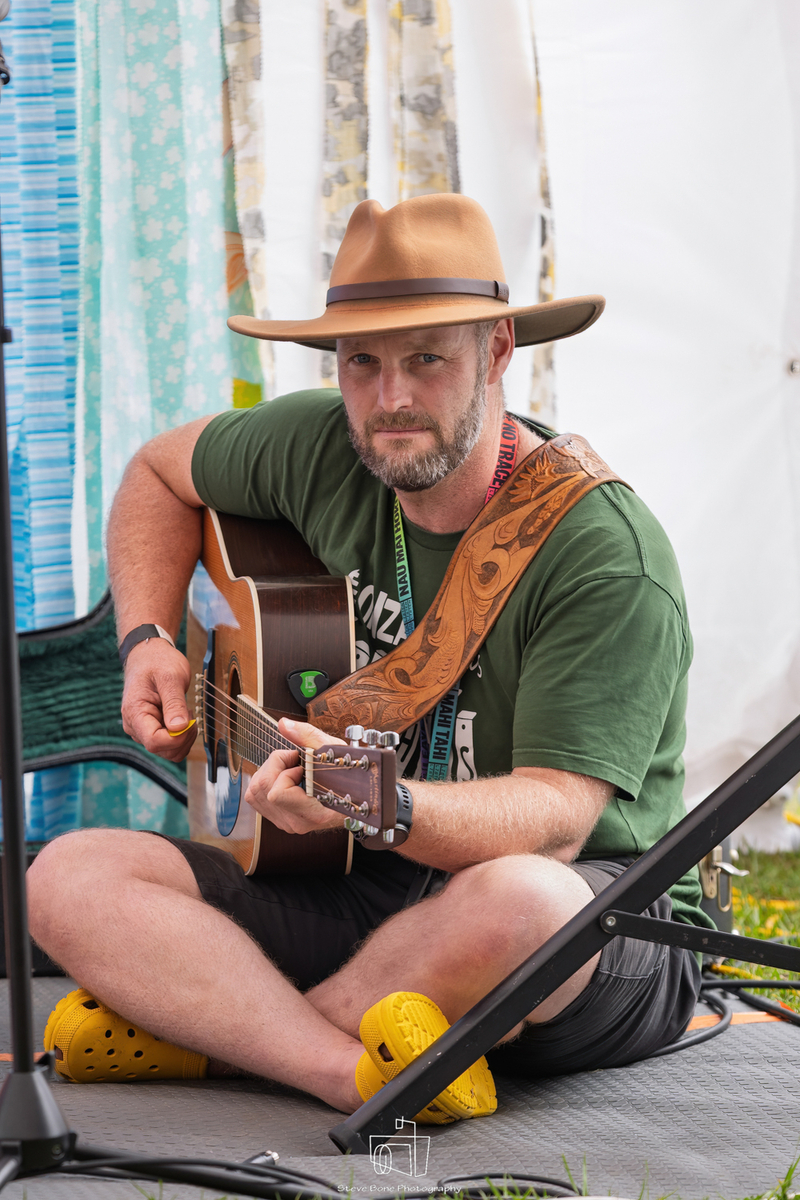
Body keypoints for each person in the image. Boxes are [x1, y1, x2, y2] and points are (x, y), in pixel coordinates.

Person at [28, 193, 708, 1124]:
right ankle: (347, 1068)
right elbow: (157, 473)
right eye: (362, 364)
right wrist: (146, 637)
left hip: (590, 920)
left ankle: (225, 1034)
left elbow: (554, 821)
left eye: (426, 358)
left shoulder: (603, 554)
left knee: (516, 901)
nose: (390, 400)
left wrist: (376, 798)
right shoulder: (322, 445)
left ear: (498, 350)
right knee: (69, 876)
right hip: (356, 879)